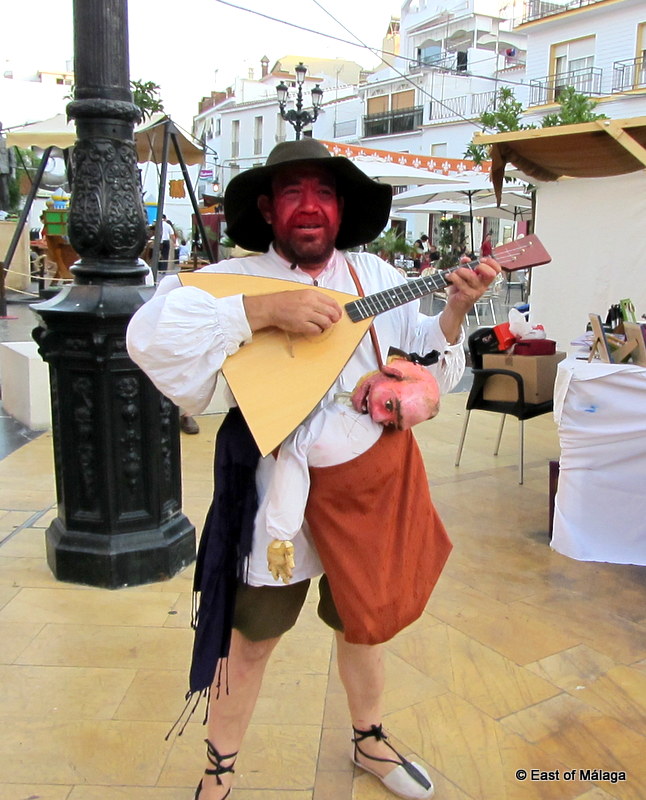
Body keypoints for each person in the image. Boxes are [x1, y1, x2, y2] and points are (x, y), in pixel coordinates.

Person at [126, 138, 500, 800]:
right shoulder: (229, 281)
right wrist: (262, 311)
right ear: (269, 210)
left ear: (340, 208)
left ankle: (370, 741)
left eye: (323, 193)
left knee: (365, 616)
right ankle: (219, 771)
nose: (309, 207)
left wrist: (457, 309)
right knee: (253, 637)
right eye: (293, 192)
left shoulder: (375, 278)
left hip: (371, 485)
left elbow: (425, 356)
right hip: (279, 499)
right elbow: (149, 337)